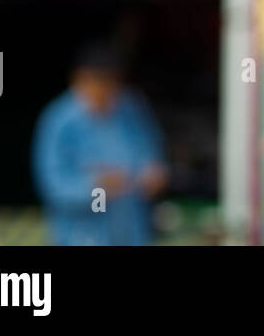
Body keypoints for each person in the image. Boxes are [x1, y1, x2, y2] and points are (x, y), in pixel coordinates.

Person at [32, 42, 168, 245]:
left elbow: (150, 152)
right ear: (79, 79)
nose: (106, 92)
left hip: (130, 231)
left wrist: (152, 173)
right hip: (82, 235)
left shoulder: (131, 108)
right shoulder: (59, 120)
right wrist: (98, 187)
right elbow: (53, 186)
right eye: (99, 84)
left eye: (111, 84)